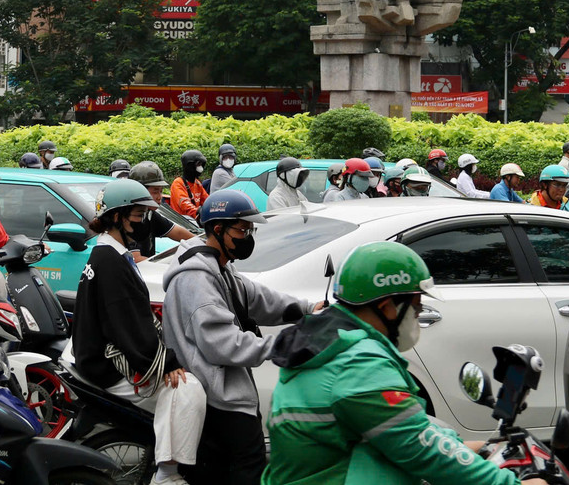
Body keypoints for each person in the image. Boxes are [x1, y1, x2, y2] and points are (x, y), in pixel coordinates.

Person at [264, 242, 527, 485]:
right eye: (416, 307)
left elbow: (398, 429)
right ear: (387, 307)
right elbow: (420, 448)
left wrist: (462, 446)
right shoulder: (358, 364)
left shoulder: (330, 345)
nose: (418, 315)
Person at [161, 190, 314, 485]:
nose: (248, 237)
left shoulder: (218, 265)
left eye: (250, 230)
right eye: (242, 231)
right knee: (244, 470)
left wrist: (307, 309)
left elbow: (256, 298)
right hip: (218, 399)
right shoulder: (196, 278)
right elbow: (222, 343)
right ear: (218, 229)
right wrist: (280, 346)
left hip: (225, 392)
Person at [73, 179, 206, 485]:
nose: (144, 221)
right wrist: (166, 362)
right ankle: (167, 474)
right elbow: (127, 322)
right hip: (106, 363)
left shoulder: (110, 253)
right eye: (138, 214)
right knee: (188, 389)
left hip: (97, 354)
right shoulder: (111, 261)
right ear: (117, 216)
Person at [122, 161, 195, 260]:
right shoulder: (129, 219)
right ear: (139, 190)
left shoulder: (149, 214)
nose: (159, 197)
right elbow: (136, 259)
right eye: (155, 191)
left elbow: (177, 232)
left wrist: (202, 243)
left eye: (161, 191)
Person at [170, 149, 209, 218]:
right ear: (190, 166)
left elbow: (207, 200)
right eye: (198, 164)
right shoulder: (178, 183)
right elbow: (185, 204)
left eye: (201, 164)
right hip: (182, 221)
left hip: (194, 220)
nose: (200, 167)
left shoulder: (197, 183)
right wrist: (198, 211)